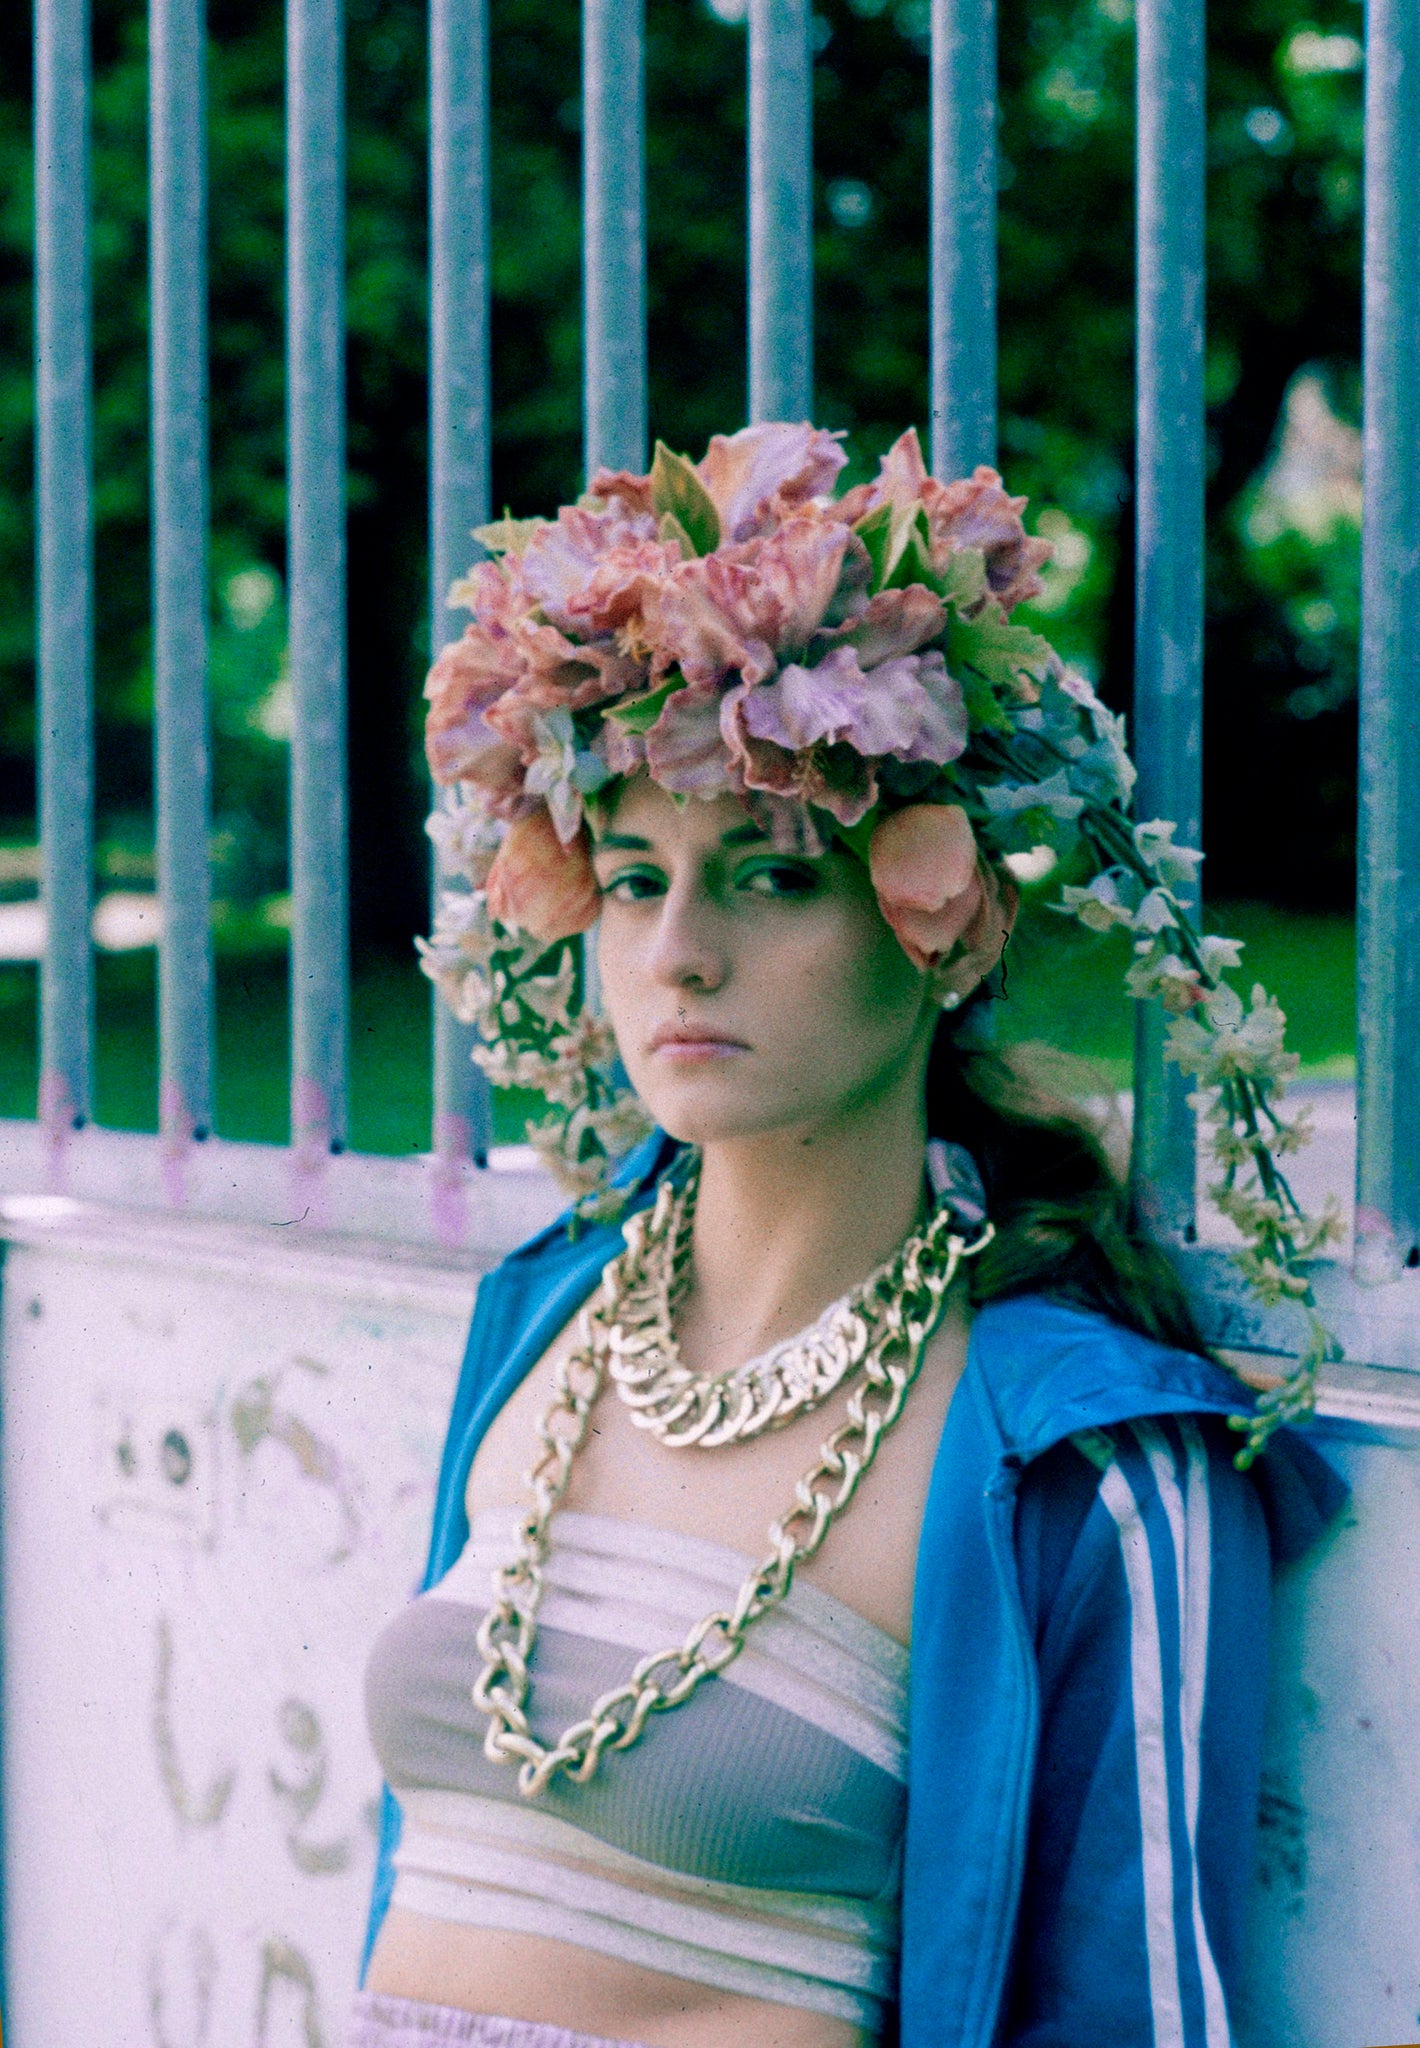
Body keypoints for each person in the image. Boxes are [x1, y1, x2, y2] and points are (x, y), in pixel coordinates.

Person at [347, 425, 1345, 2048]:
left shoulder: (1084, 1464)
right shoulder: (546, 1311)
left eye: (773, 877)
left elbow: (1137, 2012)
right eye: (633, 879)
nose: (679, 954)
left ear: (951, 926)